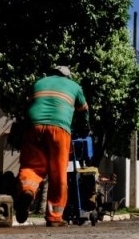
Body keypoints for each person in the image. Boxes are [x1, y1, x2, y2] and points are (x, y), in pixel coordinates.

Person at [14, 66, 89, 227]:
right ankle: (54, 216)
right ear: (67, 77)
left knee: (31, 166)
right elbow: (84, 110)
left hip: (33, 126)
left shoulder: (38, 82)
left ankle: (27, 190)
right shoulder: (75, 86)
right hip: (59, 130)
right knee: (58, 172)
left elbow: (26, 105)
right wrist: (84, 128)